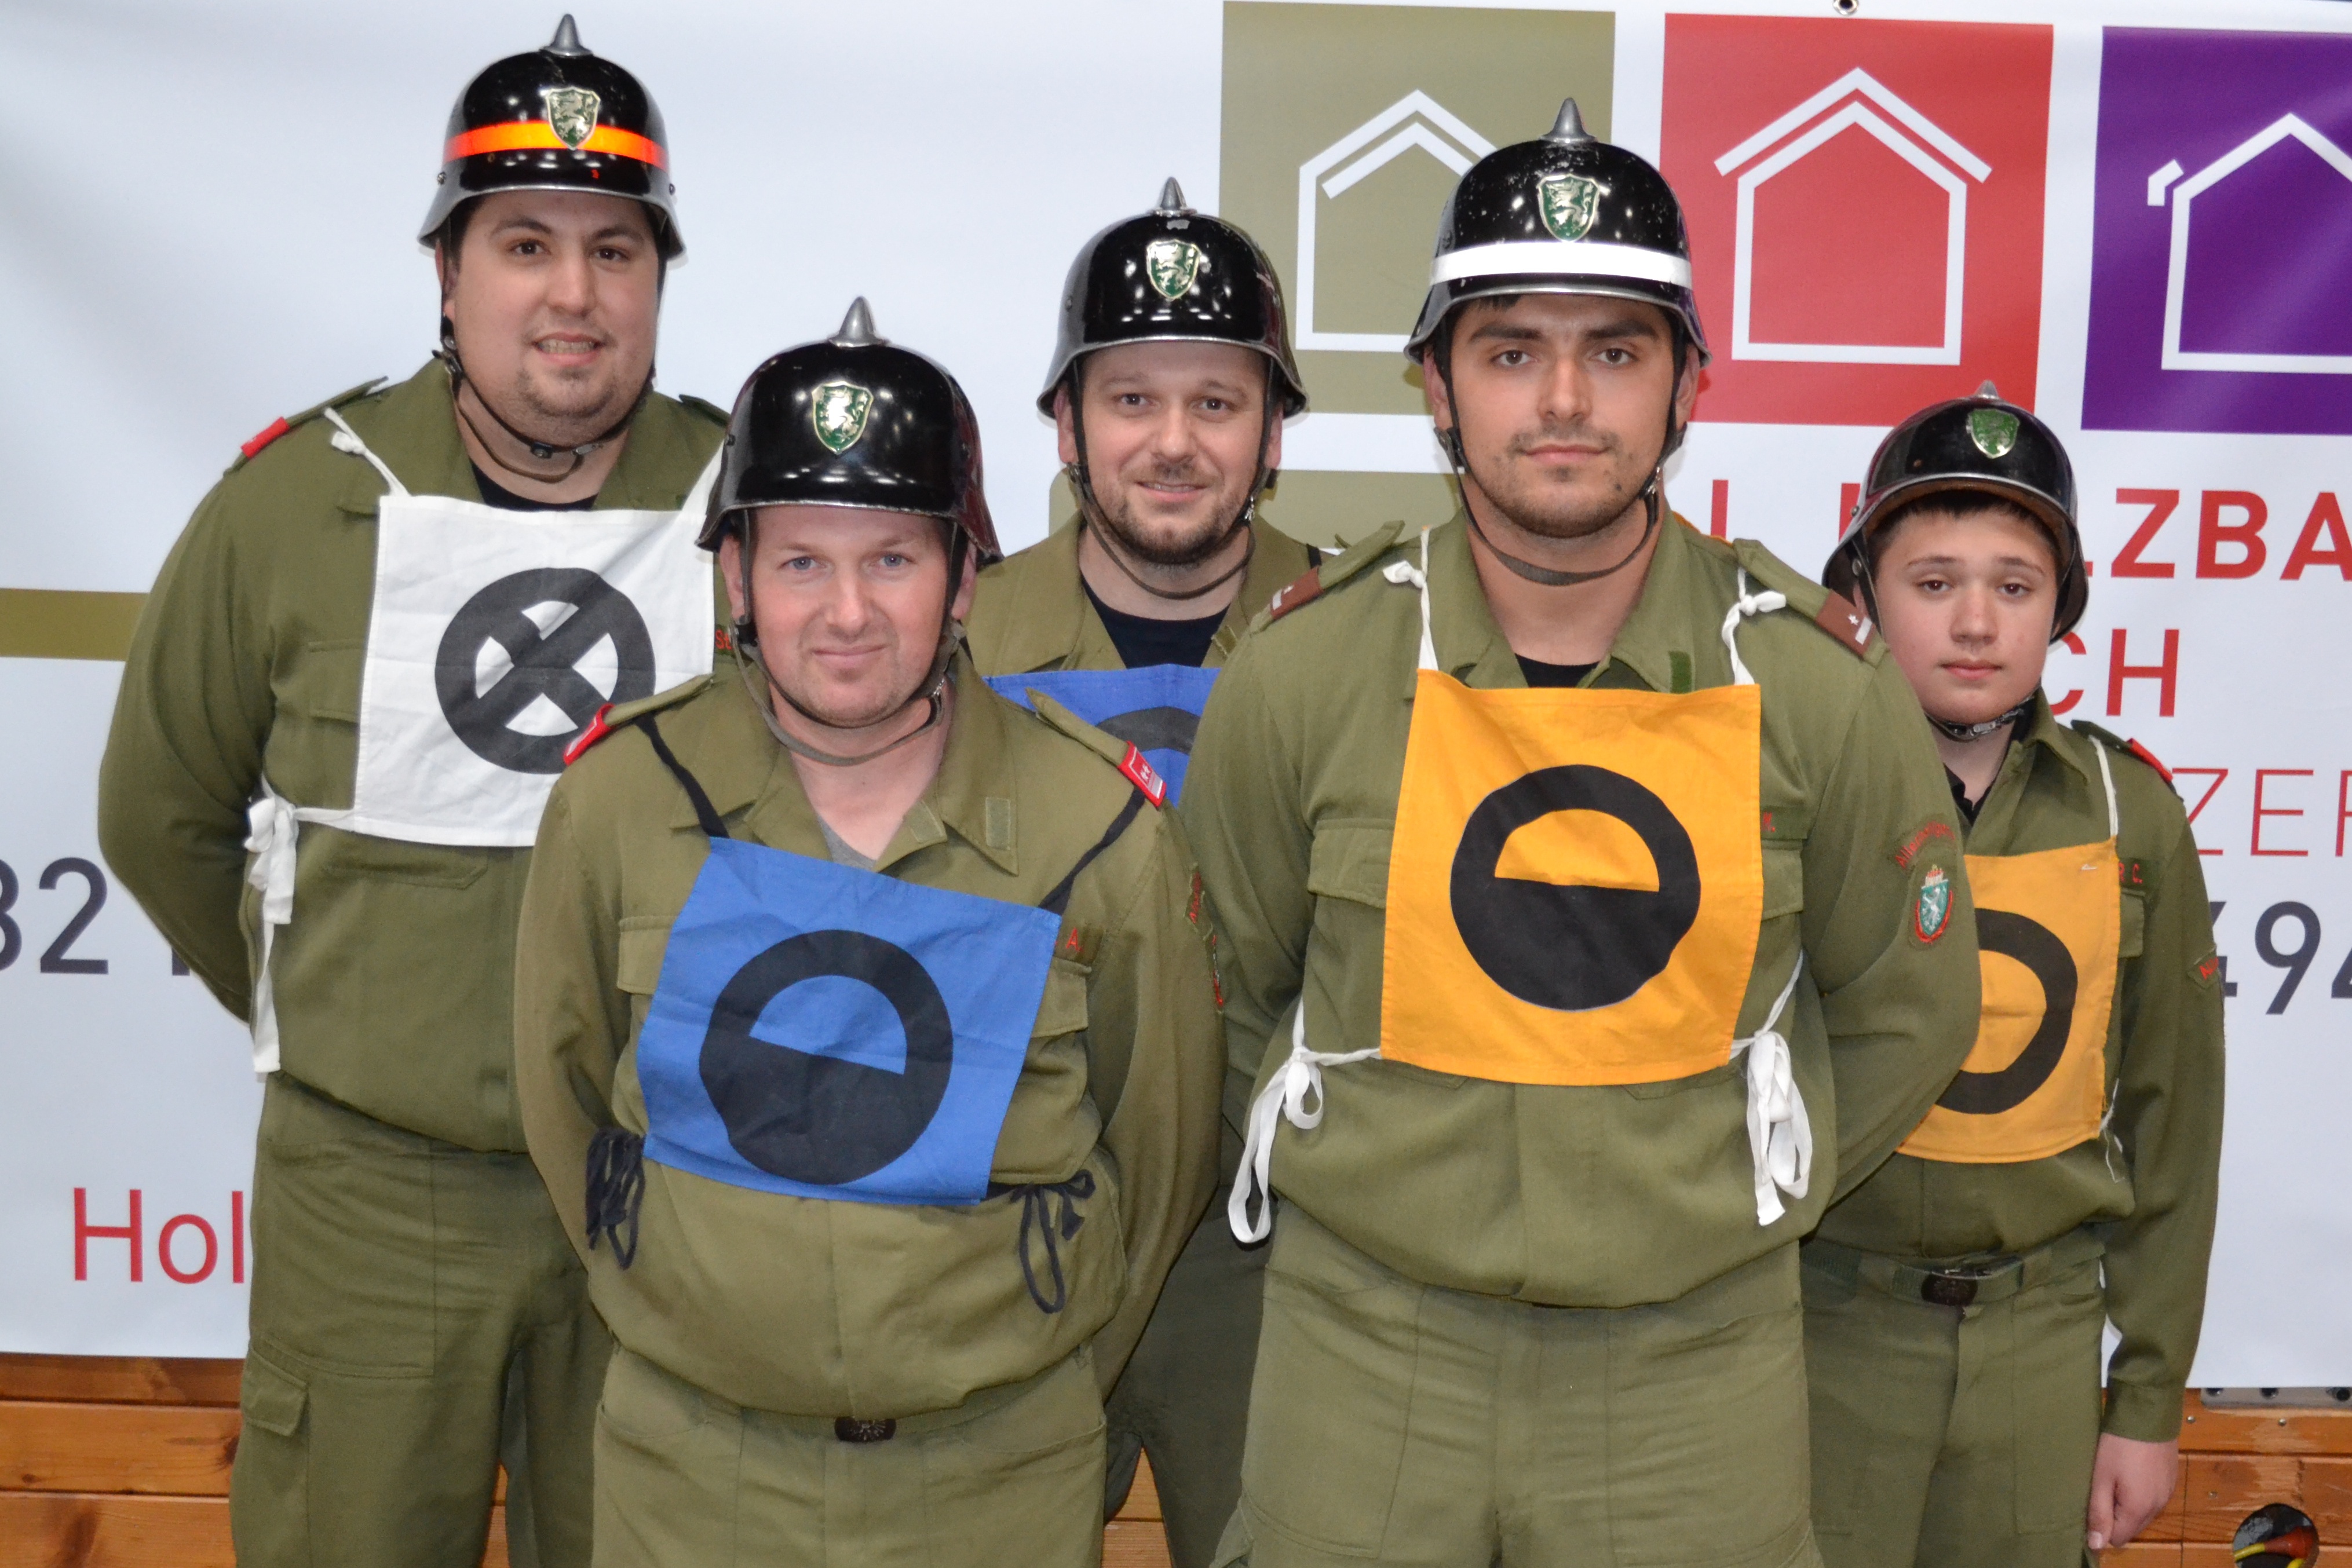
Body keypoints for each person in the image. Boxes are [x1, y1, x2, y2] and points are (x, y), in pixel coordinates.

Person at [1182, 100, 1984, 1567]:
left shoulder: (1810, 685)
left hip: (1692, 1376)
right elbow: (1221, 997)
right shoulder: (1304, 673)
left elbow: (1906, 1007)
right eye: (1509, 352)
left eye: (1614, 352)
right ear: (1434, 386)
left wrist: (1717, 1185)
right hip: (1365, 1355)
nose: (1562, 400)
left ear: (1687, 388)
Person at [94, 20, 725, 1566]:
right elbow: (159, 812)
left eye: (615, 250)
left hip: (664, 1182)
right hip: (370, 1196)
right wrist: (340, 1005)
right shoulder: (295, 503)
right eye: (524, 245)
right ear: (448, 273)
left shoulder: (749, 511)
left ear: (659, 280)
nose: (573, 295)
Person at [512, 301, 1225, 1566]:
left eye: (892, 559)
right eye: (801, 563)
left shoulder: (1097, 829)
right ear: (736, 577)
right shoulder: (621, 802)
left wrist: (1021, 1370)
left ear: (964, 578)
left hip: (996, 1480)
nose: (848, 612)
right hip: (690, 1475)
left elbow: (1155, 1159)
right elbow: (565, 1107)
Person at [1805, 387, 2225, 1568]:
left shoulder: (2127, 813)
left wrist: (2147, 1398)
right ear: (1864, 596)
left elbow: (2172, 1122)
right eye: (1933, 582)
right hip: (1819, 1331)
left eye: (2015, 585)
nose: (1976, 622)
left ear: (2061, 607)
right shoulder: (1800, 797)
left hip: (2038, 1346)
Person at [964, 177, 1312, 1568]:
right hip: (1017, 1224)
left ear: (1271, 431)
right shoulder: (949, 637)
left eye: (1216, 402)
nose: (1172, 443)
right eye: (1129, 400)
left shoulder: (1363, 636)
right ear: (1064, 423)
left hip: (1276, 1254)